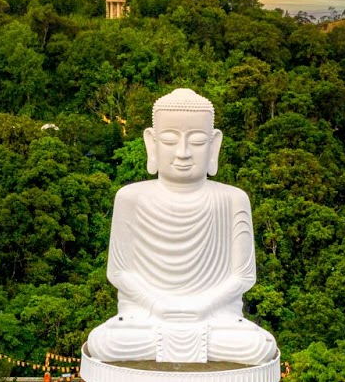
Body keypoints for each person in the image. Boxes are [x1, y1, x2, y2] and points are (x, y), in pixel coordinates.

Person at [82, 89, 278, 365]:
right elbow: (119, 272)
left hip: (214, 318)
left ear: (214, 145)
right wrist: (157, 306)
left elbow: (243, 277)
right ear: (151, 143)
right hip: (146, 318)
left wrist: (201, 307)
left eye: (197, 141)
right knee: (103, 342)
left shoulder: (233, 199)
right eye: (170, 140)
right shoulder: (130, 198)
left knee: (259, 346)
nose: (183, 153)